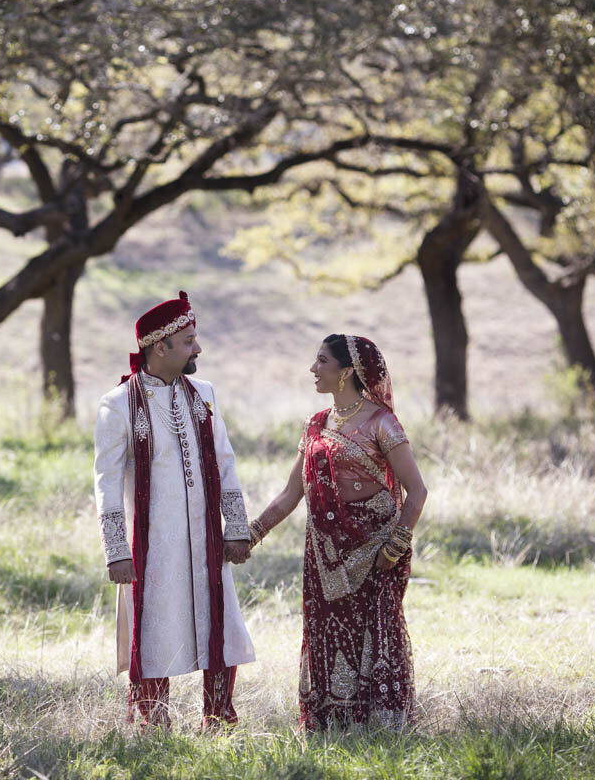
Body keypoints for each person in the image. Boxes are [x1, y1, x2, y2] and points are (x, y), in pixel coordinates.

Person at [93, 291, 255, 731]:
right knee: (154, 629)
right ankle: (154, 722)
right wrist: (116, 551)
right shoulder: (117, 404)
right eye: (187, 341)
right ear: (159, 347)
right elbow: (106, 483)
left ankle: (218, 719)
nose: (197, 348)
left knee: (220, 625)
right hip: (152, 547)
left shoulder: (204, 394)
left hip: (206, 539)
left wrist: (236, 528)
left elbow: (225, 462)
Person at [248, 334, 427, 731]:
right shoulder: (315, 425)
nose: (313, 369)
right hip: (324, 554)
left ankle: (379, 723)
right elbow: (291, 493)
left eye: (322, 361)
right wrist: (252, 533)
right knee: (326, 631)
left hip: (375, 553)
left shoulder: (381, 422)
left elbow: (417, 491)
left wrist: (395, 547)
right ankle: (329, 722)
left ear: (347, 371)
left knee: (372, 631)